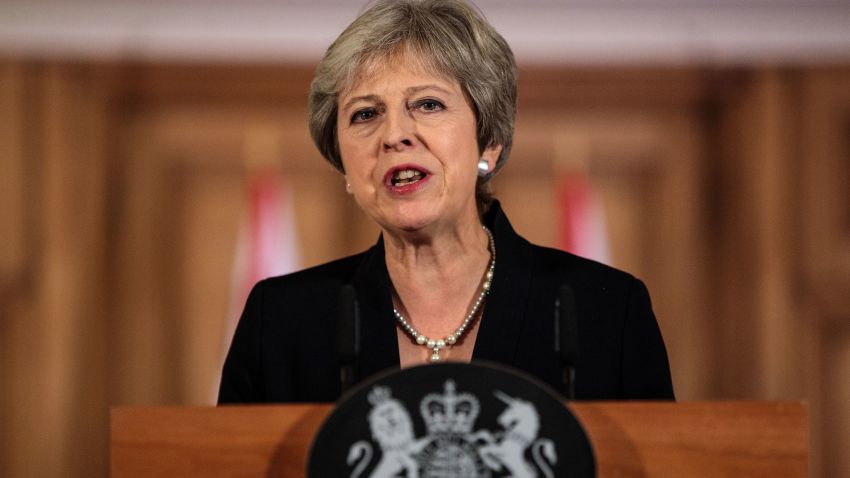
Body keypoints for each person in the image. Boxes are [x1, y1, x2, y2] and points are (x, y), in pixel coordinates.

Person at [218, 0, 674, 403]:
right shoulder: (280, 322)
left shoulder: (606, 311)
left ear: (488, 142)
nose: (394, 134)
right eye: (365, 114)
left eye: (428, 105)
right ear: (345, 169)